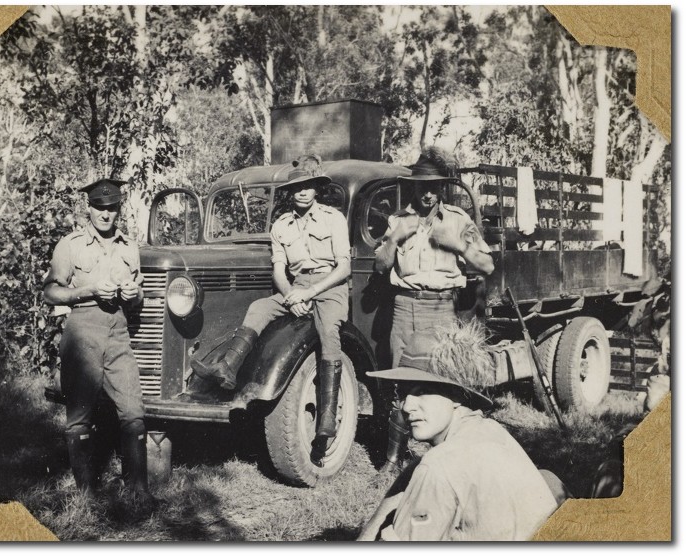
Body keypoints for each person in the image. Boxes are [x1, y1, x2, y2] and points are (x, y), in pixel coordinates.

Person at [191, 154, 351, 467]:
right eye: (297, 187)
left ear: (316, 189)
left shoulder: (333, 219)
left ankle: (326, 423)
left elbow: (343, 267)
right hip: (295, 286)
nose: (303, 192)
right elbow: (279, 269)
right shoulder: (282, 225)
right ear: (291, 191)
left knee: (328, 332)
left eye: (309, 186)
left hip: (329, 287)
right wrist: (291, 293)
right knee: (259, 307)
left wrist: (311, 292)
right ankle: (227, 368)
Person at [357, 325, 562, 541]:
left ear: (456, 394)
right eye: (403, 393)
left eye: (422, 392)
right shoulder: (488, 429)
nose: (407, 406)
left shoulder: (438, 467)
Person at [373, 146, 495, 471]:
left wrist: (459, 245)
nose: (428, 193)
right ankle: (393, 458)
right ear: (413, 186)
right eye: (422, 186)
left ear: (442, 187)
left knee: (446, 382)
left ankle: (449, 455)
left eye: (434, 186)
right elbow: (379, 266)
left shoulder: (458, 220)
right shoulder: (398, 220)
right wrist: (394, 240)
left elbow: (487, 265)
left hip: (442, 310)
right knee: (400, 380)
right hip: (406, 308)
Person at [43, 178, 155, 507]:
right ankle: (86, 494)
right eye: (99, 208)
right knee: (80, 414)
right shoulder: (71, 245)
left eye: (112, 208)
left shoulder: (128, 247)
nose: (106, 214)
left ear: (119, 209)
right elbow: (51, 292)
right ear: (88, 208)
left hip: (118, 330)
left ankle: (139, 490)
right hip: (82, 331)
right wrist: (88, 291)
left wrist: (135, 296)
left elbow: (138, 296)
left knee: (133, 410)